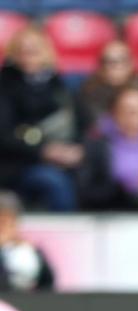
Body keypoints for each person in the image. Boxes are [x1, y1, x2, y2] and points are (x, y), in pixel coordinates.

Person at [0, 27, 83, 212]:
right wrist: (43, 151)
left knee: (96, 174)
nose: (29, 53)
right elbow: (4, 136)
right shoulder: (5, 85)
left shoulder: (59, 85)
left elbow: (80, 124)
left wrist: (75, 150)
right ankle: (66, 236)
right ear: (13, 53)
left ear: (46, 52)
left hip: (62, 157)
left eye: (34, 48)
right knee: (54, 182)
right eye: (23, 48)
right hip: (19, 164)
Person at [76, 86, 138, 210]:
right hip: (110, 217)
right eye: (128, 111)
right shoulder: (96, 141)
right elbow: (85, 191)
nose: (135, 118)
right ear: (113, 112)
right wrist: (126, 187)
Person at [76, 41, 138, 136]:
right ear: (99, 66)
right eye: (107, 61)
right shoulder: (87, 93)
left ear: (131, 64)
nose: (113, 66)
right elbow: (95, 131)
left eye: (120, 60)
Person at [0, 191, 54, 292]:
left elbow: (48, 283)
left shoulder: (25, 249)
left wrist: (34, 251)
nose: (2, 227)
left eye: (5, 222)